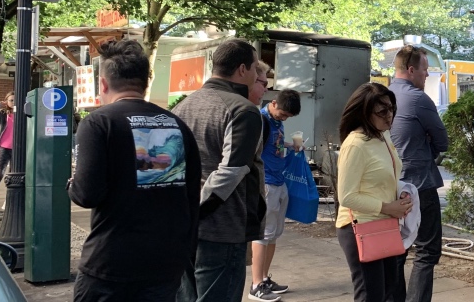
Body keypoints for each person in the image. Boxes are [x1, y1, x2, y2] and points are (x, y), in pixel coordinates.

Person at [68, 39, 202, 302]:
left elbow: (87, 195)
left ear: (103, 84)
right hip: (166, 262)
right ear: (145, 83)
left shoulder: (98, 123)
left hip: (111, 263)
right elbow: (192, 196)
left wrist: (72, 184)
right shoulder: (177, 124)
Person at [174, 38, 266, 302]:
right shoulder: (243, 110)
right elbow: (232, 170)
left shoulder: (182, 106)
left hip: (185, 226)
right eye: (254, 68)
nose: (256, 75)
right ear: (242, 70)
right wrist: (198, 208)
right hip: (222, 227)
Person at [337, 82, 413, 302]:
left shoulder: (382, 136)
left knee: (389, 289)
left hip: (385, 224)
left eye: (391, 109)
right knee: (371, 295)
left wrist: (399, 197)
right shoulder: (355, 144)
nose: (389, 116)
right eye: (382, 111)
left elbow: (383, 178)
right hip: (360, 227)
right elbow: (347, 196)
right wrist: (387, 207)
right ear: (364, 113)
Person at [388, 45, 448, 302]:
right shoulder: (418, 99)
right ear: (411, 70)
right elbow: (442, 141)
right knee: (427, 250)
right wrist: (426, 146)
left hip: (390, 185)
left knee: (395, 249)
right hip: (420, 183)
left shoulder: (382, 94)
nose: (426, 75)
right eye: (425, 69)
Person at [250, 72, 303, 301]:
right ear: (273, 103)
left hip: (279, 181)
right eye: (282, 114)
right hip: (267, 184)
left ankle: (264, 278)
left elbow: (276, 148)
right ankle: (255, 285)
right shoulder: (260, 120)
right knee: (262, 234)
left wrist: (291, 146)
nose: (284, 119)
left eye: (288, 117)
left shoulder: (276, 122)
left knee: (273, 235)